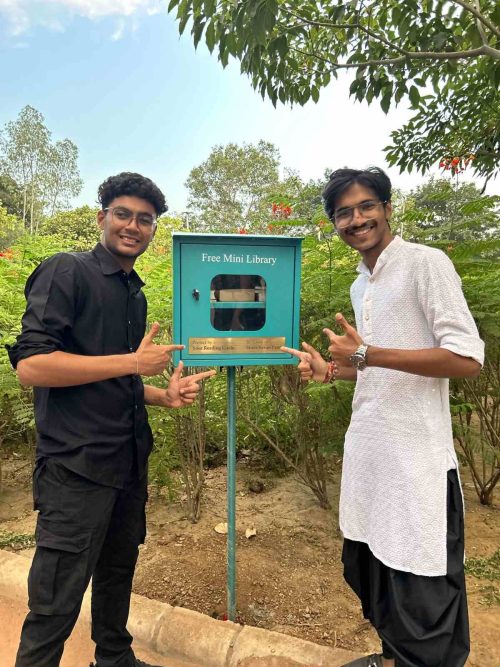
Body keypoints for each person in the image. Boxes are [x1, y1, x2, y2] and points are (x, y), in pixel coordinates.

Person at [7, 172, 216, 667]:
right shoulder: (66, 272)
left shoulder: (134, 293)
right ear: (102, 218)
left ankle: (115, 658)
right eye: (123, 214)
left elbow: (110, 381)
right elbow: (32, 367)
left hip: (126, 464)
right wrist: (131, 364)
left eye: (145, 220)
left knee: (117, 572)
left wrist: (161, 396)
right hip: (75, 469)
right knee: (56, 599)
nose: (133, 226)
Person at [282, 167, 484, 667]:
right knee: (373, 570)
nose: (356, 219)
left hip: (416, 462)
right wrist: (335, 370)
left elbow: (467, 358)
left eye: (366, 206)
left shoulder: (425, 264)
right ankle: (394, 657)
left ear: (388, 208)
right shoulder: (361, 284)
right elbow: (375, 366)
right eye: (343, 212)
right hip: (372, 457)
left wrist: (368, 354)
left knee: (422, 586)